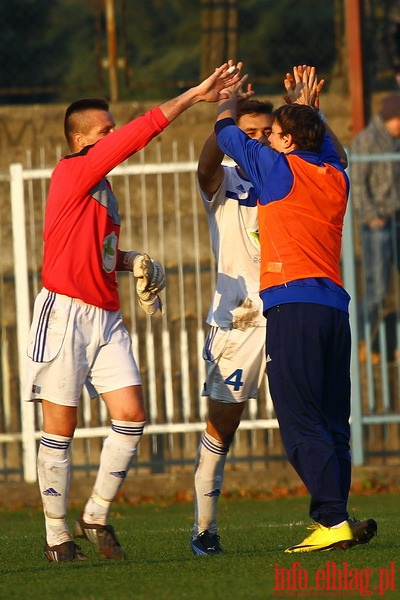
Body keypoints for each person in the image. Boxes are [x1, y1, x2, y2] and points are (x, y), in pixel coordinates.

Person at [24, 62, 241, 563]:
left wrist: (132, 261)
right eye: (105, 131)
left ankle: (95, 514)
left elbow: (94, 253)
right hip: (64, 314)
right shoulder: (75, 169)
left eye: (112, 129)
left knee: (131, 417)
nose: (114, 136)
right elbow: (141, 134)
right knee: (60, 427)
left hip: (104, 315)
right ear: (82, 141)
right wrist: (190, 96)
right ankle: (56, 533)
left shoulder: (103, 191)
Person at [214, 65, 378, 553]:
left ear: (285, 141)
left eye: (276, 134)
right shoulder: (333, 174)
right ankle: (339, 515)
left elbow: (226, 133)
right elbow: (334, 149)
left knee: (301, 420)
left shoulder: (276, 166)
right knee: (332, 422)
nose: (270, 139)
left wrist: (226, 98)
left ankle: (330, 519)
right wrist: (307, 110)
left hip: (293, 307)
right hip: (333, 310)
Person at [191, 90, 273, 556]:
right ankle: (205, 529)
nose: (258, 142)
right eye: (249, 134)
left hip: (285, 311)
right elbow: (205, 164)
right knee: (223, 424)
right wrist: (224, 113)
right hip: (237, 321)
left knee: (310, 416)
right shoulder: (222, 179)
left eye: (266, 133)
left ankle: (332, 516)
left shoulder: (285, 175)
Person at [350, 94, 400, 364]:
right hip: (378, 223)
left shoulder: (395, 139)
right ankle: (362, 341)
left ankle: (390, 344)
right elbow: (357, 182)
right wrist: (370, 217)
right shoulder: (367, 140)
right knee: (377, 289)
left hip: (397, 219)